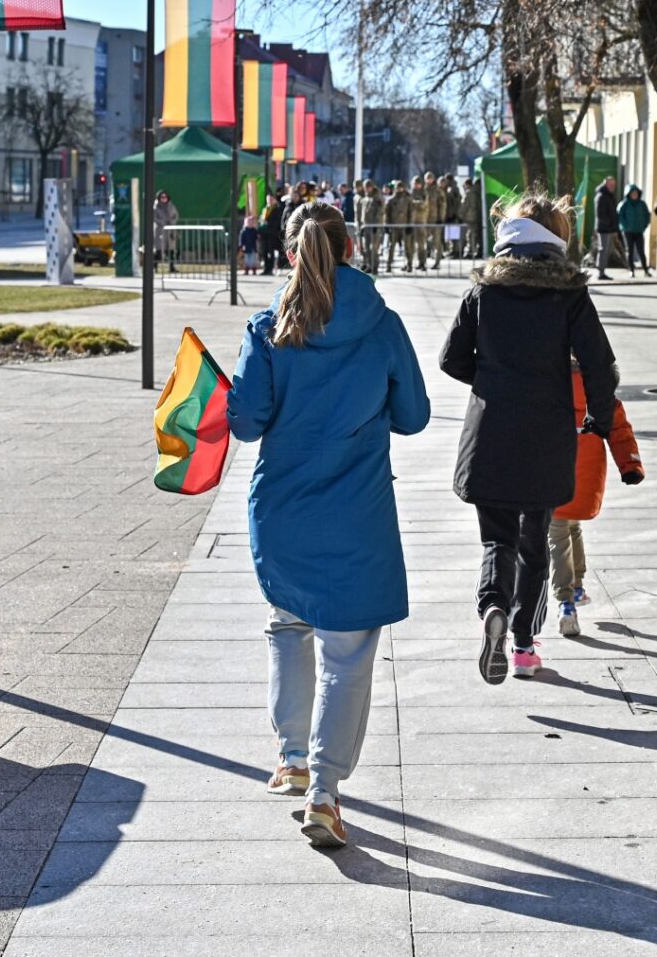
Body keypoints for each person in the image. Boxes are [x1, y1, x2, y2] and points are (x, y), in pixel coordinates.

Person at [227, 201, 431, 848]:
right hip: (356, 513)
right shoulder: (382, 323)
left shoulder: (269, 326)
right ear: (350, 249)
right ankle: (324, 792)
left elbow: (246, 423)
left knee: (288, 626)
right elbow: (415, 416)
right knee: (347, 653)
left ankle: (291, 757)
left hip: (282, 509)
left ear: (290, 254)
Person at [440, 193, 618, 683]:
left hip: (490, 435)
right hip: (546, 435)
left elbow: (451, 359)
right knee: (534, 542)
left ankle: (493, 606)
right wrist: (599, 419)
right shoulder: (570, 295)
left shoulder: (483, 291)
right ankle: (522, 646)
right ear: (556, 238)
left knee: (497, 539)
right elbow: (599, 365)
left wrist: (492, 381)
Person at [549, 360, 644, 637]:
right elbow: (620, 431)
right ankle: (577, 586)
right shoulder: (601, 395)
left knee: (557, 534)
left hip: (553, 468)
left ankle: (565, 601)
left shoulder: (549, 387)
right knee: (572, 526)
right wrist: (630, 466)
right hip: (588, 470)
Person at [617, 184, 652, 277]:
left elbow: (647, 215)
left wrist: (644, 225)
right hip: (628, 231)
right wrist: (625, 226)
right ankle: (631, 270)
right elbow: (620, 216)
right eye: (632, 193)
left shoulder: (642, 204)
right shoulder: (624, 204)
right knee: (630, 251)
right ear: (629, 194)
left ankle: (646, 270)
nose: (634, 195)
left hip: (639, 231)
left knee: (641, 251)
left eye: (636, 193)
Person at [593, 176, 619, 280]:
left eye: (614, 185)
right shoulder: (602, 196)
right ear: (606, 184)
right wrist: (609, 224)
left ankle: (602, 270)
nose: (613, 187)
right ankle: (600, 271)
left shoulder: (607, 195)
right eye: (611, 185)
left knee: (605, 249)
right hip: (604, 227)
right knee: (603, 249)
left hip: (607, 227)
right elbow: (600, 213)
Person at [384, 179, 413, 272]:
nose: (399, 189)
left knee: (407, 246)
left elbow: (411, 213)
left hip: (405, 226)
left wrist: (410, 225)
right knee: (391, 247)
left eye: (401, 187)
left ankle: (409, 265)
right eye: (398, 188)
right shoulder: (391, 200)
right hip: (394, 227)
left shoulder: (408, 200)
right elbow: (387, 214)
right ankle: (389, 265)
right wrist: (386, 225)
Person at [357, 179, 385, 274]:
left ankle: (375, 266)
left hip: (374, 227)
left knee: (374, 248)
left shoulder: (377, 198)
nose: (367, 189)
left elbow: (380, 212)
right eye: (365, 187)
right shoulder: (365, 198)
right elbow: (363, 214)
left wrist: (376, 225)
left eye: (368, 187)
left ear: (372, 187)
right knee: (366, 248)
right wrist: (362, 226)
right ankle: (369, 265)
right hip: (366, 226)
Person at [423, 171, 447, 270]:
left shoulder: (438, 191)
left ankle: (437, 262)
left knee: (436, 242)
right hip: (424, 220)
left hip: (435, 220)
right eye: (427, 178)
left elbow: (443, 205)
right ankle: (422, 263)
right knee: (422, 242)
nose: (429, 180)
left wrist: (441, 218)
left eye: (430, 178)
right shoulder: (423, 190)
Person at [153, 189, 179, 273]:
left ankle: (172, 267)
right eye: (162, 197)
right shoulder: (155, 207)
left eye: (165, 197)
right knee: (159, 250)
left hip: (170, 230)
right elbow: (154, 218)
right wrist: (163, 222)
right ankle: (154, 267)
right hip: (160, 230)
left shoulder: (171, 206)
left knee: (171, 250)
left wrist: (172, 222)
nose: (164, 198)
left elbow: (176, 216)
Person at [260, 193, 284, 274]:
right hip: (264, 233)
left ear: (274, 200)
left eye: (271, 199)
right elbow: (262, 219)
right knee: (264, 251)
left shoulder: (277, 209)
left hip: (272, 233)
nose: (269, 201)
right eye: (268, 199)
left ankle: (270, 269)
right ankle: (266, 269)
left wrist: (269, 225)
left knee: (271, 251)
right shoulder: (265, 209)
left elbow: (277, 221)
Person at [443, 174, 463, 258]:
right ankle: (453, 250)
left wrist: (455, 213)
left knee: (455, 235)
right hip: (450, 214)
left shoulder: (454, 188)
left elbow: (456, 202)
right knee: (451, 235)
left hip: (453, 214)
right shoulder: (450, 188)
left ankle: (457, 251)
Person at [463, 177, 483, 260]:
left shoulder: (470, 193)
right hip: (480, 217)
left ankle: (470, 252)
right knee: (479, 236)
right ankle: (480, 251)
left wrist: (460, 216)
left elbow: (464, 206)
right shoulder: (481, 192)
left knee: (471, 235)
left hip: (471, 218)